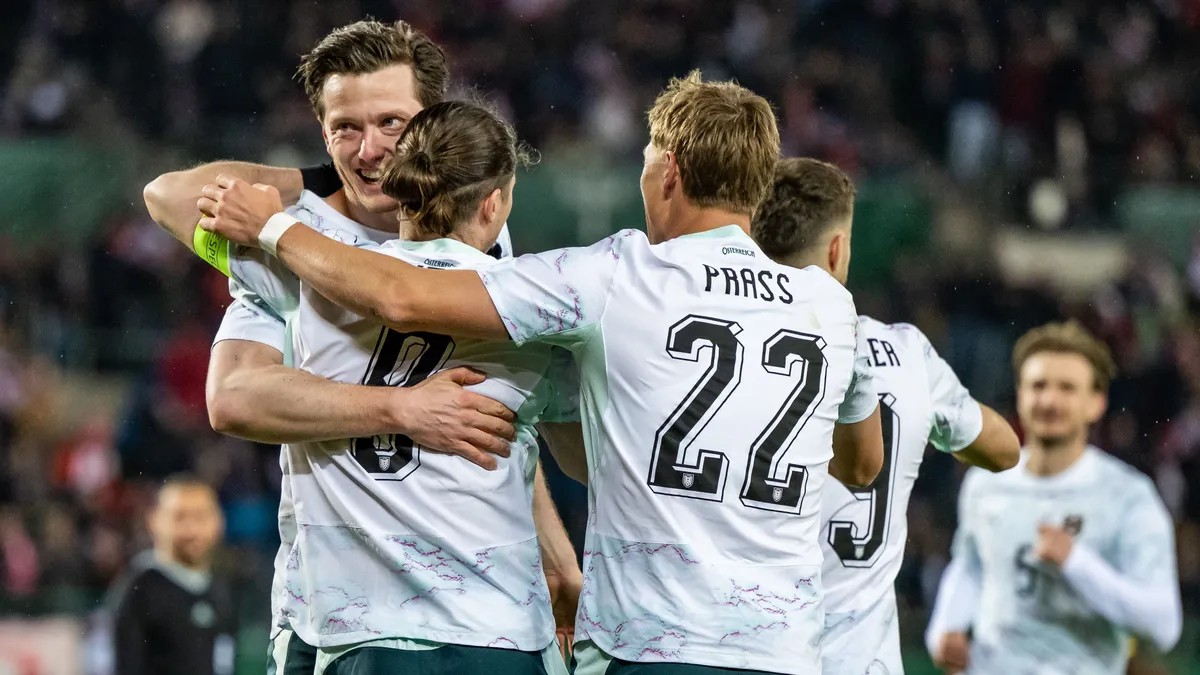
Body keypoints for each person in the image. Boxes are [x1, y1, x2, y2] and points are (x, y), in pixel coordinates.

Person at [194, 71, 884, 675]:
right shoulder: (831, 306)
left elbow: (399, 295)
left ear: (669, 170)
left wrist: (275, 230)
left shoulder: (611, 277)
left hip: (643, 640)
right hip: (780, 647)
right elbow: (860, 466)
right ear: (493, 202)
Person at [143, 21, 579, 675]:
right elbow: (231, 392)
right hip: (332, 611)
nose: (370, 150)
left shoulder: (485, 242)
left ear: (431, 123)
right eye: (345, 127)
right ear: (321, 133)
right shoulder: (286, 239)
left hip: (475, 605)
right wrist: (309, 184)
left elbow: (498, 413)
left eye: (391, 124)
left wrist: (556, 552)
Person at [750, 157, 1021, 675]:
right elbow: (1004, 450)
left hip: (746, 650)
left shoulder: (725, 350)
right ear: (837, 248)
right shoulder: (905, 352)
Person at [925, 321, 1182, 674]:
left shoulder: (1128, 497)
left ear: (1096, 403)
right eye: (1038, 385)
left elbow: (1163, 625)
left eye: (1067, 388)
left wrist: (1076, 563)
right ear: (1020, 394)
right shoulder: (985, 483)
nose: (1049, 400)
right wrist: (944, 628)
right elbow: (970, 565)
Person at [110, 476, 236, 675]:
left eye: (201, 517)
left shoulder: (219, 589)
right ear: (154, 520)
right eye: (179, 517)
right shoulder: (141, 588)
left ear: (219, 522)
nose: (192, 529)